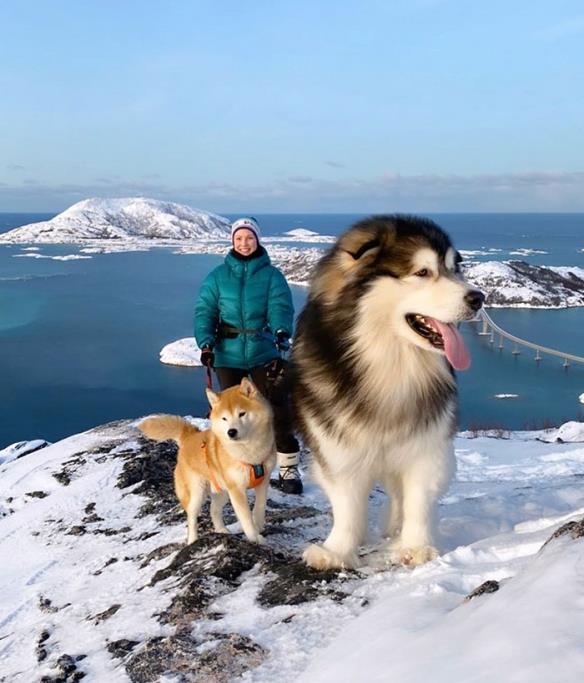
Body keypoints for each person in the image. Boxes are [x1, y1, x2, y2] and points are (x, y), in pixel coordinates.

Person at [194, 216, 302, 494]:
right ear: (232, 241)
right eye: (239, 238)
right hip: (227, 354)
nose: (244, 243)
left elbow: (281, 306)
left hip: (262, 351)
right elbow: (205, 310)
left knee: (276, 408)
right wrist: (205, 342)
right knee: (231, 417)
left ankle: (289, 471)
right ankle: (240, 470)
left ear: (257, 240)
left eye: (249, 238)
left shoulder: (272, 276)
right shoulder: (217, 277)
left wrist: (280, 331)